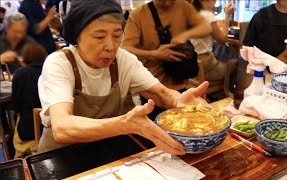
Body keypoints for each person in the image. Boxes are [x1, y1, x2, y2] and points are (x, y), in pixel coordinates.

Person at [37, 0, 209, 155]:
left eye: (117, 36)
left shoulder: (123, 59)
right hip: (61, 156)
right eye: (99, 37)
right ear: (77, 36)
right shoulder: (59, 63)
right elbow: (62, 128)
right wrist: (126, 124)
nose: (111, 46)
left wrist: (179, 103)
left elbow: (161, 94)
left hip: (110, 150)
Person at [121, 0, 212, 91]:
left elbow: (206, 27)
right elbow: (125, 48)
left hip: (181, 80)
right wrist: (155, 54)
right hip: (152, 83)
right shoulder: (139, 14)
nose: (168, 3)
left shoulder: (183, 6)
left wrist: (184, 35)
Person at [12, 42, 47, 158]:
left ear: (24, 58)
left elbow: (16, 107)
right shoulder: (52, 70)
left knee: (18, 121)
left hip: (29, 130)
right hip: (52, 125)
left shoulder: (20, 74)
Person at [190, 0, 234, 82]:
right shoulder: (207, 16)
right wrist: (227, 15)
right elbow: (223, 40)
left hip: (192, 65)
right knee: (235, 65)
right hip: (206, 66)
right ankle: (229, 94)